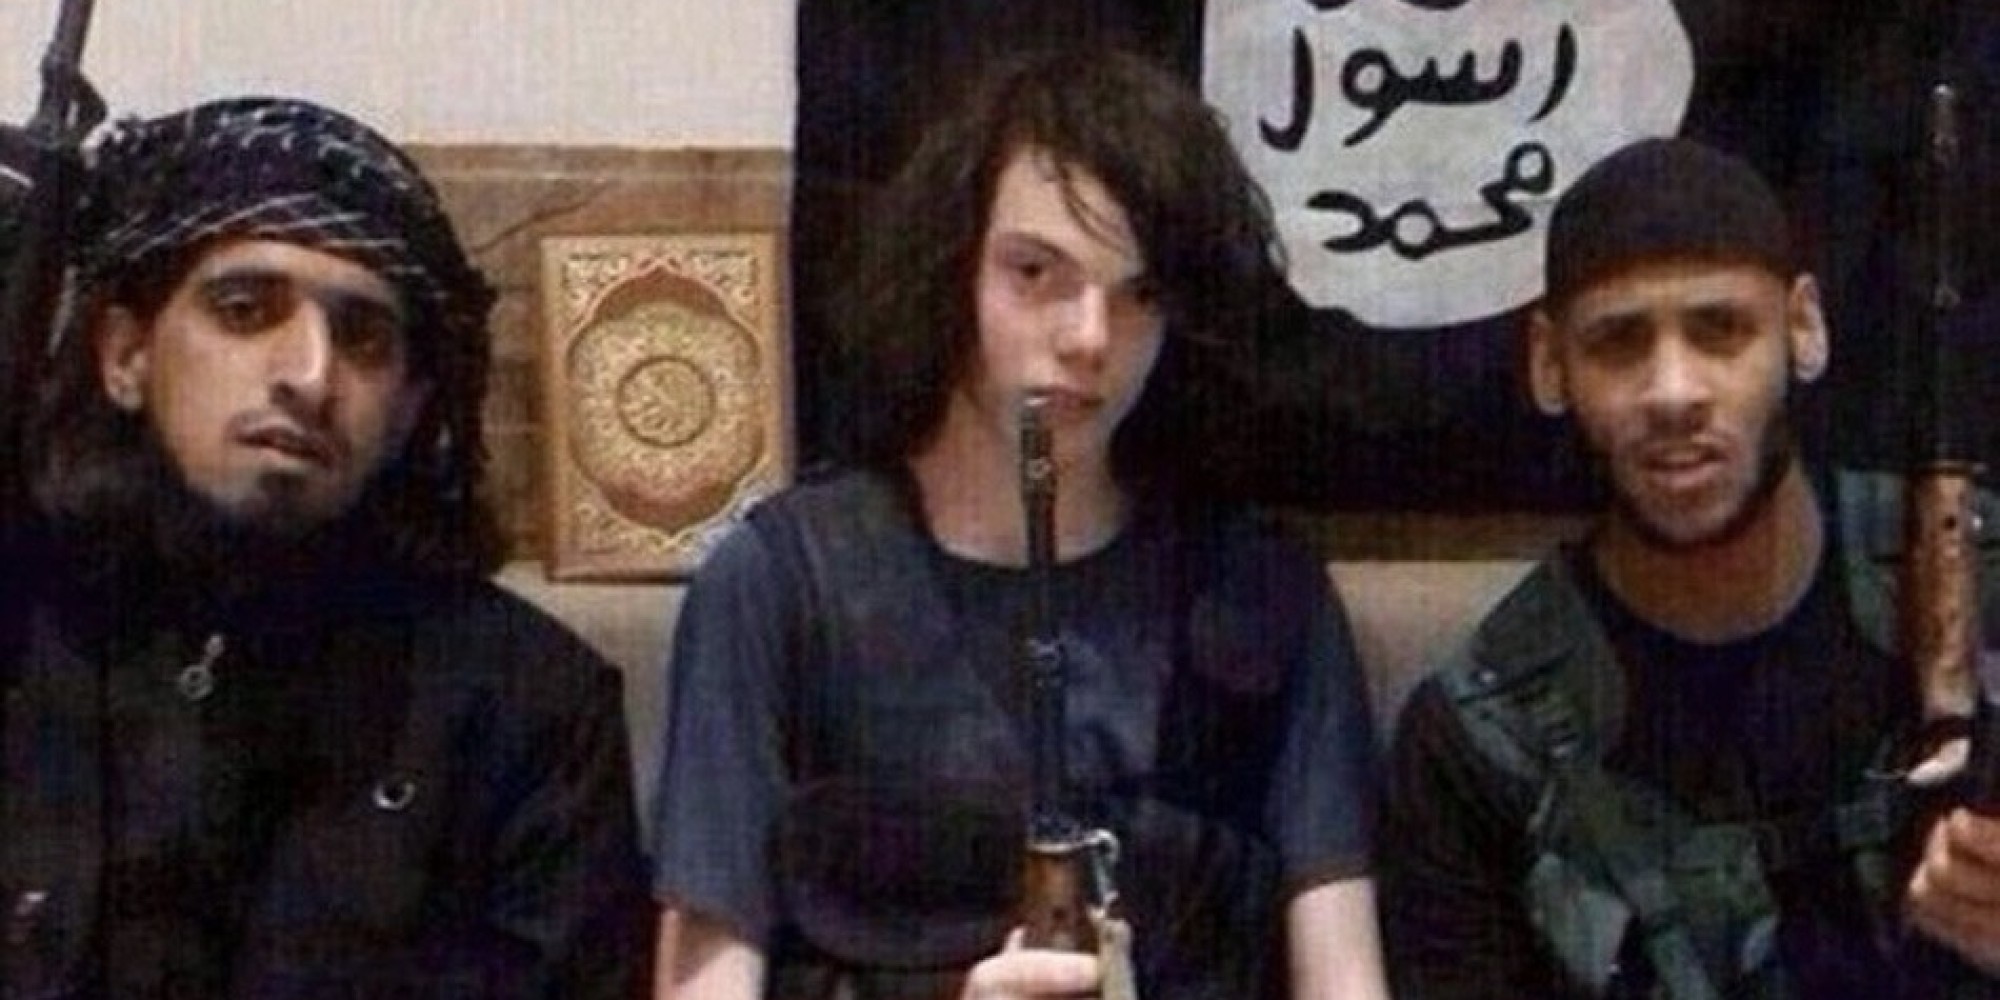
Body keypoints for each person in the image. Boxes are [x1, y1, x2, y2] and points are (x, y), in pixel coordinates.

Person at [650, 47, 1388, 1000]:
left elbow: (1343, 970)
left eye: (1141, 295)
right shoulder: (781, 582)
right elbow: (705, 980)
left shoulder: (1262, 587)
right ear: (952, 268)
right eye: (1037, 272)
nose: (1089, 338)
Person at [0, 98, 651, 996]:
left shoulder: (528, 707)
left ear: (412, 406)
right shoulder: (28, 628)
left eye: (364, 338)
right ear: (126, 355)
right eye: (244, 310)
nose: (310, 374)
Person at [1379, 136, 2000, 998]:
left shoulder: (1978, 590)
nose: (1673, 392)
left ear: (1804, 329)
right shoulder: (1481, 744)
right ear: (1551, 364)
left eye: (1721, 331)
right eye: (1619, 342)